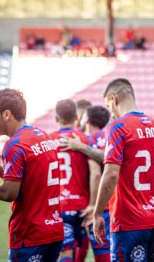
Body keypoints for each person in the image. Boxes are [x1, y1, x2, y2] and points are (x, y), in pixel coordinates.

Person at [93, 78, 154, 261]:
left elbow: (110, 174)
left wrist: (97, 213)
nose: (111, 113)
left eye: (109, 106)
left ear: (114, 99)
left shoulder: (119, 127)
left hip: (130, 221)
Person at [0, 89, 64, 260]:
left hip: (30, 234)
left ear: (6, 114)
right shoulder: (42, 135)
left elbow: (9, 192)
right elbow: (24, 180)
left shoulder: (15, 144)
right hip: (53, 230)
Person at [50, 99, 101, 262]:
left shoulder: (47, 141)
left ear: (56, 119)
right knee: (83, 252)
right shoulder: (84, 140)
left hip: (58, 208)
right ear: (77, 118)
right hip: (83, 208)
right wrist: (93, 205)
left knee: (64, 255)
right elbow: (95, 174)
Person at [61, 105, 111, 262]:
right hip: (95, 205)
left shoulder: (95, 138)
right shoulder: (89, 137)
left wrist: (81, 146)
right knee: (98, 247)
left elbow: (102, 164)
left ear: (86, 120)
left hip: (97, 206)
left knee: (80, 248)